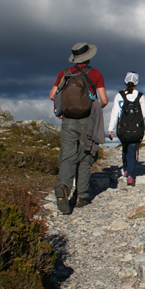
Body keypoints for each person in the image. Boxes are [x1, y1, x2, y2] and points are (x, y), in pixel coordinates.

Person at [49, 42, 108, 214]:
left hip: (68, 120)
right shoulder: (95, 74)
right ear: (88, 57)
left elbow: (52, 95)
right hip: (87, 120)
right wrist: (93, 108)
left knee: (67, 155)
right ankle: (82, 195)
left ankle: (64, 187)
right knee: (86, 154)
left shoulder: (64, 73)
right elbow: (103, 100)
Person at [108, 72, 145, 186]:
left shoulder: (119, 95)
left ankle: (126, 169)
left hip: (123, 129)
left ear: (125, 82)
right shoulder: (140, 96)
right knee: (132, 148)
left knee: (125, 147)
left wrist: (111, 128)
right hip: (135, 129)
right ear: (136, 83)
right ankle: (130, 174)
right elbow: (144, 114)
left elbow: (114, 113)